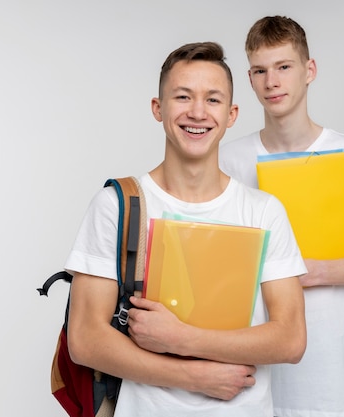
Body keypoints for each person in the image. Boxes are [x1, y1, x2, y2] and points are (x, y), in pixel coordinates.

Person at [65, 41, 307, 417]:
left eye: (213, 100)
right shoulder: (117, 205)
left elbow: (290, 339)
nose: (197, 112)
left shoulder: (264, 211)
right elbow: (85, 340)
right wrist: (193, 376)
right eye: (182, 97)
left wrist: (182, 338)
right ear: (157, 109)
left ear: (232, 114)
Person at [219, 16, 344, 417]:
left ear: (309, 71)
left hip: (328, 371)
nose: (272, 81)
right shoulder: (228, 159)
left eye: (284, 67)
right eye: (259, 70)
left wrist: (314, 272)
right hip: (248, 366)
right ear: (250, 78)